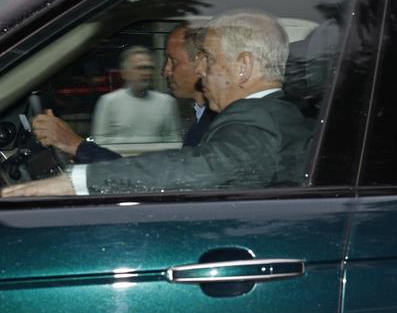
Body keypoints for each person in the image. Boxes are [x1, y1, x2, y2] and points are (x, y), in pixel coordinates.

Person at [2, 10, 312, 197]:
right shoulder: (272, 113)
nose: (201, 70)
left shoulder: (258, 120)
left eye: (208, 59)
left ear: (243, 67)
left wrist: (75, 183)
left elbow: (205, 168)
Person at [32, 25, 216, 162]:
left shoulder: (216, 124)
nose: (165, 71)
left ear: (201, 63)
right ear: (125, 72)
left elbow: (162, 178)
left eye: (173, 62)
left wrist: (75, 145)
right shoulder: (201, 117)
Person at [90, 45, 181, 145]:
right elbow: (99, 143)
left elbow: (174, 141)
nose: (146, 73)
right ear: (125, 73)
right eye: (140, 68)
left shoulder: (166, 102)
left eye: (149, 68)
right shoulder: (108, 102)